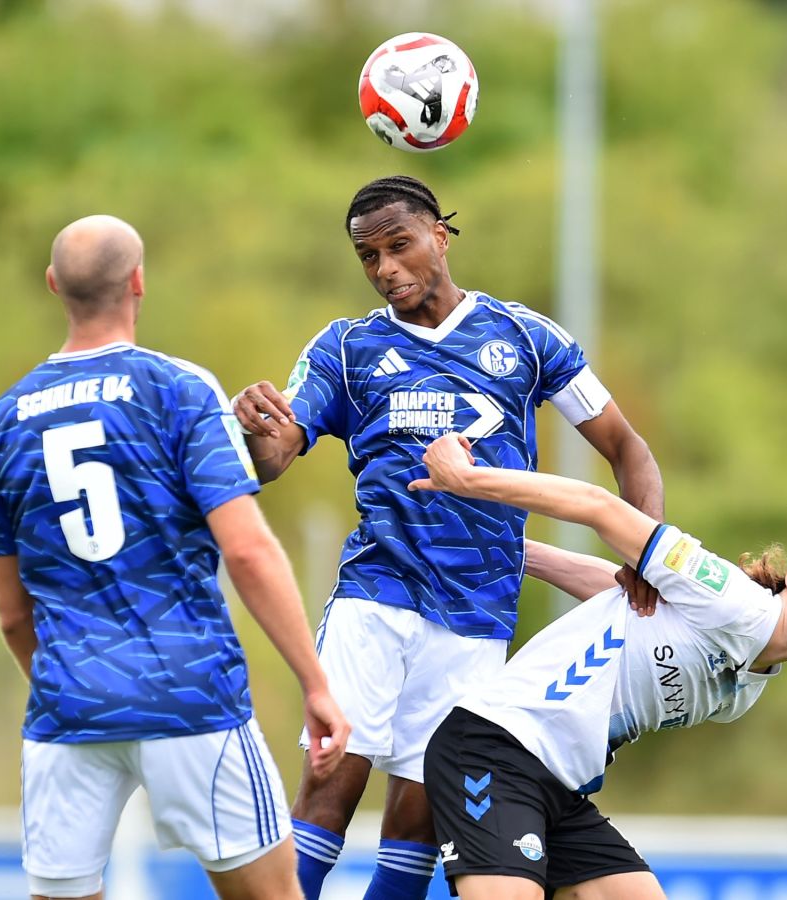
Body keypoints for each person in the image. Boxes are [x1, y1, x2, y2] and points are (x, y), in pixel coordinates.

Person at [230, 175, 664, 899]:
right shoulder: (346, 348)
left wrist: (644, 554)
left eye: (399, 246)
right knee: (328, 791)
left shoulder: (526, 336)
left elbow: (629, 449)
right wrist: (257, 432)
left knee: (419, 821)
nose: (385, 270)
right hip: (377, 597)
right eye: (368, 257)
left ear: (441, 234)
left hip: (476, 615)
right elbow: (274, 460)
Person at [0, 215, 350, 900]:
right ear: (138, 282)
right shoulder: (177, 389)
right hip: (190, 696)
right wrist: (315, 684)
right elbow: (249, 551)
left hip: (68, 709)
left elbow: (9, 613)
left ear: (54, 285)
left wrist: (71, 684)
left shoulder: (2, 422)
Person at [405, 432, 787, 899]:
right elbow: (601, 507)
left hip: (558, 788)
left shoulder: (745, 691)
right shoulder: (734, 600)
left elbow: (630, 603)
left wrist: (518, 554)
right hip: (495, 749)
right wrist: (466, 480)